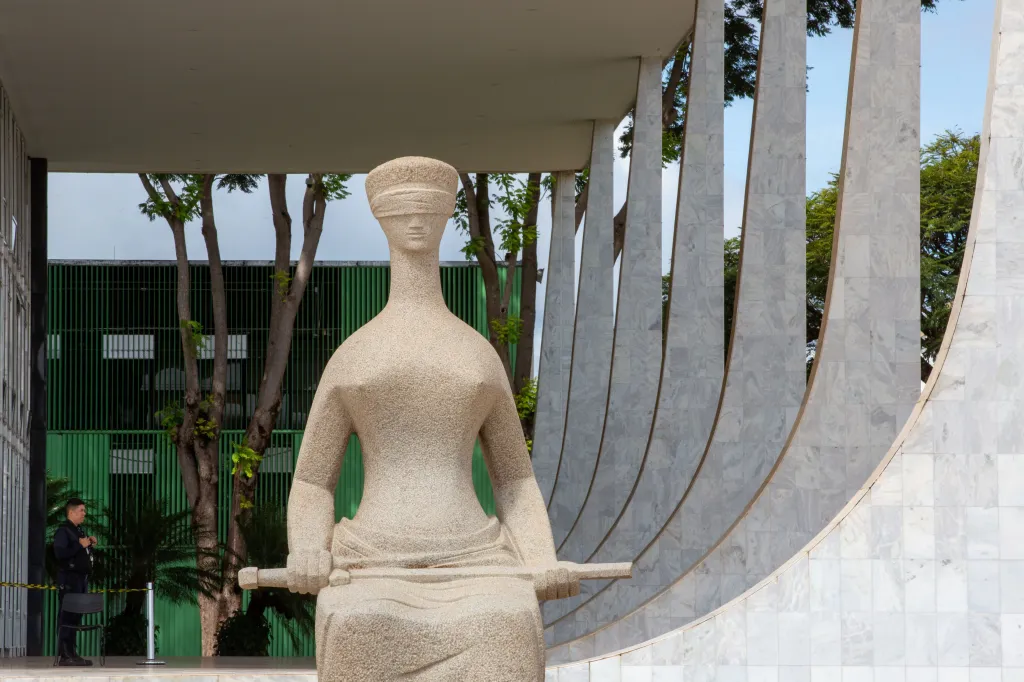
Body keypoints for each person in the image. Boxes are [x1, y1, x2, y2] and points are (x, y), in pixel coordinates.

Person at [286, 157, 578, 682]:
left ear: (447, 219)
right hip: (372, 562)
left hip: (478, 559)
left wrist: (540, 555)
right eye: (403, 211)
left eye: (428, 211)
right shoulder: (354, 357)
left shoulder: (478, 356)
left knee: (508, 621)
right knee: (360, 623)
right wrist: (308, 548)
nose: (416, 222)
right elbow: (311, 480)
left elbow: (514, 477)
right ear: (381, 220)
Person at [52, 498, 96, 666]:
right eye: (81, 511)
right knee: (67, 616)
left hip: (81, 579)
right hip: (69, 579)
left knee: (76, 615)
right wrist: (80, 545)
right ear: (71, 512)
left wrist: (88, 543)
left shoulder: (79, 531)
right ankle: (64, 654)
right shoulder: (64, 531)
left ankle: (72, 652)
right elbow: (60, 553)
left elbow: (80, 551)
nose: (84, 514)